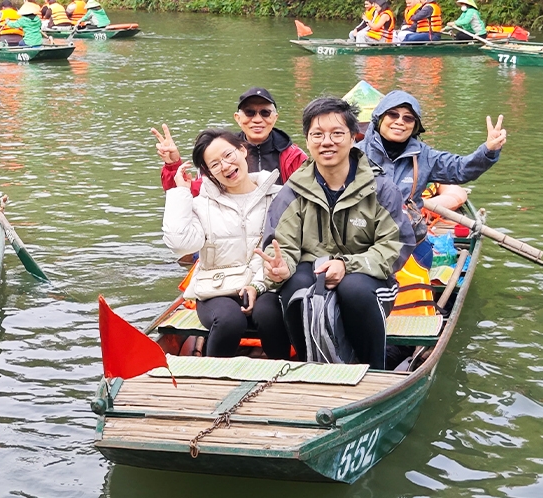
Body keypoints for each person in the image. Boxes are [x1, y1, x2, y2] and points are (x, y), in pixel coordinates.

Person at [257, 97, 415, 370]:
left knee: (352, 288)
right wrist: (280, 267)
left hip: (368, 278)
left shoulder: (379, 188)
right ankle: (310, 368)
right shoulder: (293, 191)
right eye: (317, 134)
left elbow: (398, 244)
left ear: (354, 137)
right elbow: (281, 245)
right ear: (307, 140)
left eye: (336, 133)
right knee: (294, 286)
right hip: (312, 268)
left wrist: (347, 265)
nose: (326, 142)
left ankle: (374, 369)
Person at [163, 129, 289, 359]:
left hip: (264, 285)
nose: (225, 166)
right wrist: (180, 192)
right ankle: (212, 378)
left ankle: (281, 374)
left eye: (228, 155)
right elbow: (180, 244)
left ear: (242, 150)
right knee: (229, 320)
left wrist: (259, 284)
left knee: (270, 314)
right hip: (216, 289)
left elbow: (286, 249)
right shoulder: (203, 204)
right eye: (214, 164)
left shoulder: (279, 197)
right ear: (208, 172)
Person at [359, 90, 505, 212]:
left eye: (408, 118)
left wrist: (489, 150)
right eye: (393, 114)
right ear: (380, 119)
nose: (400, 121)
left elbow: (461, 169)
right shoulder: (354, 152)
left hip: (406, 234)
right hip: (361, 236)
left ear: (415, 126)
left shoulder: (424, 156)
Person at [155, 87, 308, 197]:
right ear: (237, 118)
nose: (257, 119)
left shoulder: (294, 157)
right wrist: (173, 165)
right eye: (249, 112)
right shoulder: (222, 154)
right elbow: (189, 192)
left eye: (265, 113)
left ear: (275, 118)